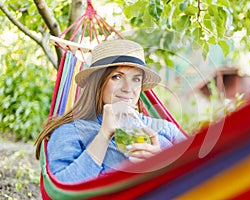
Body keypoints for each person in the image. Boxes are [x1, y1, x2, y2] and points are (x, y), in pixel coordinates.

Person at [35, 39, 186, 183]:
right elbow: (61, 191)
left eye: (136, 79)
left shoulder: (167, 129)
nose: (128, 88)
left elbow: (197, 176)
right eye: (117, 77)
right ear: (97, 83)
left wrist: (161, 165)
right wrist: (104, 135)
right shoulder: (71, 131)